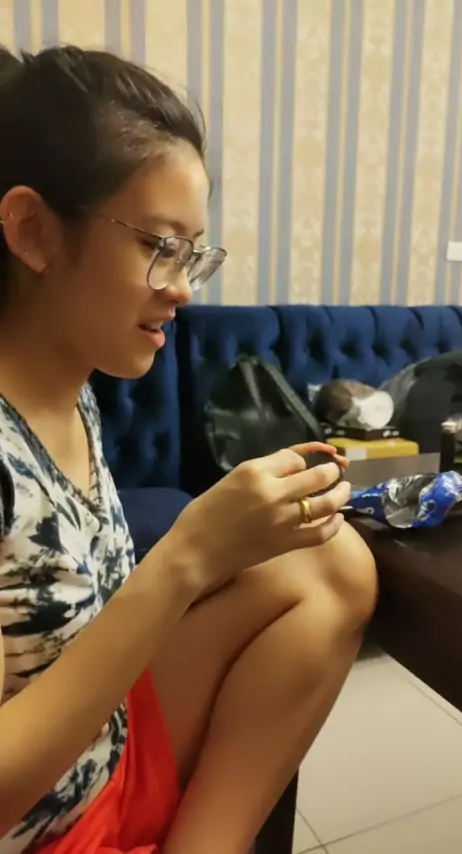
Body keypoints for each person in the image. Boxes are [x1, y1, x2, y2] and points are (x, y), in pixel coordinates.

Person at [0, 44, 377, 854]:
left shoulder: (72, 391)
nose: (182, 287)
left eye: (191, 252)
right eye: (158, 245)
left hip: (103, 750)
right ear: (33, 231)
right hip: (37, 820)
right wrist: (187, 559)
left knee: (332, 562)